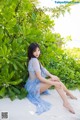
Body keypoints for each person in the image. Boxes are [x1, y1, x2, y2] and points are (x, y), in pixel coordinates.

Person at [25, 43, 77, 115]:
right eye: (35, 51)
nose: (37, 53)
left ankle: (68, 94)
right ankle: (66, 101)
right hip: (34, 88)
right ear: (31, 52)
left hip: (32, 84)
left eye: (38, 50)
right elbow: (40, 77)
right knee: (56, 82)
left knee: (55, 79)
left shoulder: (34, 60)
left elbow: (44, 70)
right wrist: (54, 83)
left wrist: (51, 75)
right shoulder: (34, 61)